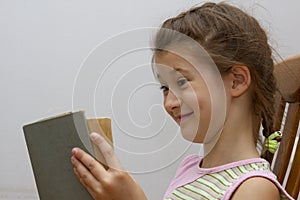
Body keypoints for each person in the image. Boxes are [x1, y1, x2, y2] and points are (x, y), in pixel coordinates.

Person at [70, 2, 294, 200]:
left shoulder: (255, 188)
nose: (169, 103)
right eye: (165, 88)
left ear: (236, 81)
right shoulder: (189, 169)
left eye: (182, 81)